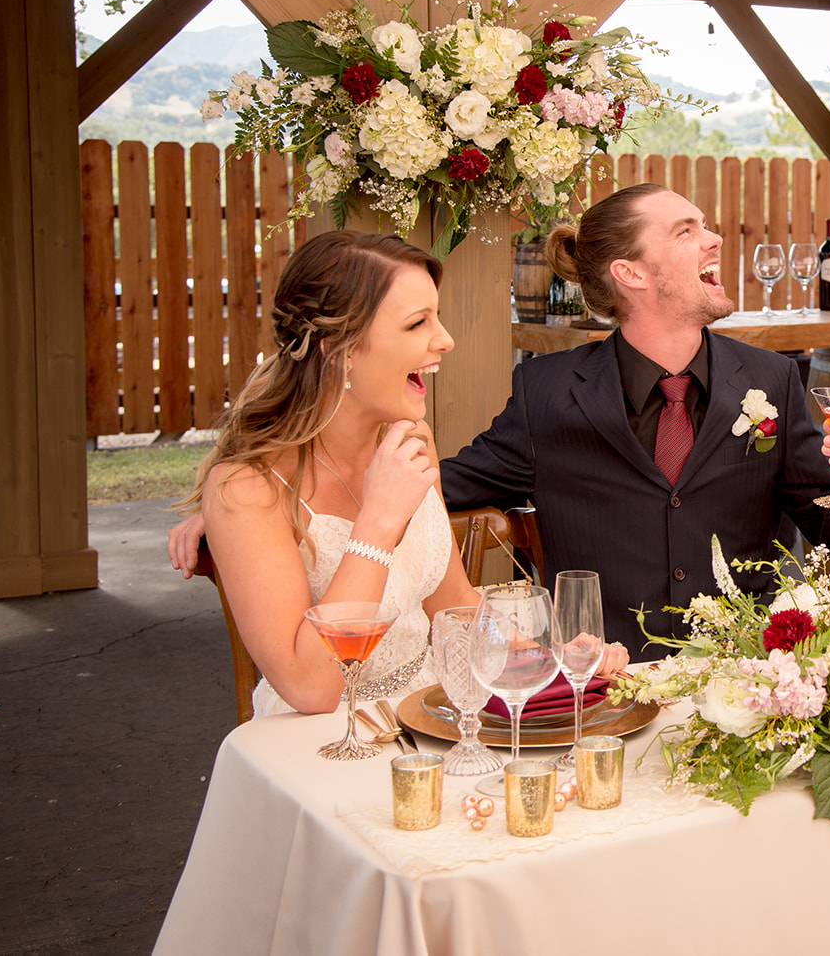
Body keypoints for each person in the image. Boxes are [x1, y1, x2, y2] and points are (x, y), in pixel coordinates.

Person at [172, 230, 627, 718]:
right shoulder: (247, 490)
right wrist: (379, 521)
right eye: (417, 324)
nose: (445, 339)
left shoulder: (406, 443)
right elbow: (311, 689)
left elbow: (454, 605)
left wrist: (553, 659)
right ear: (337, 348)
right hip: (323, 741)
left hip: (434, 715)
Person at [440, 183, 830, 654]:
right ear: (630, 273)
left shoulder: (772, 378)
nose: (714, 238)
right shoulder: (546, 393)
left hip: (745, 684)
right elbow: (436, 492)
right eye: (685, 231)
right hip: (605, 690)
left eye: (704, 225)